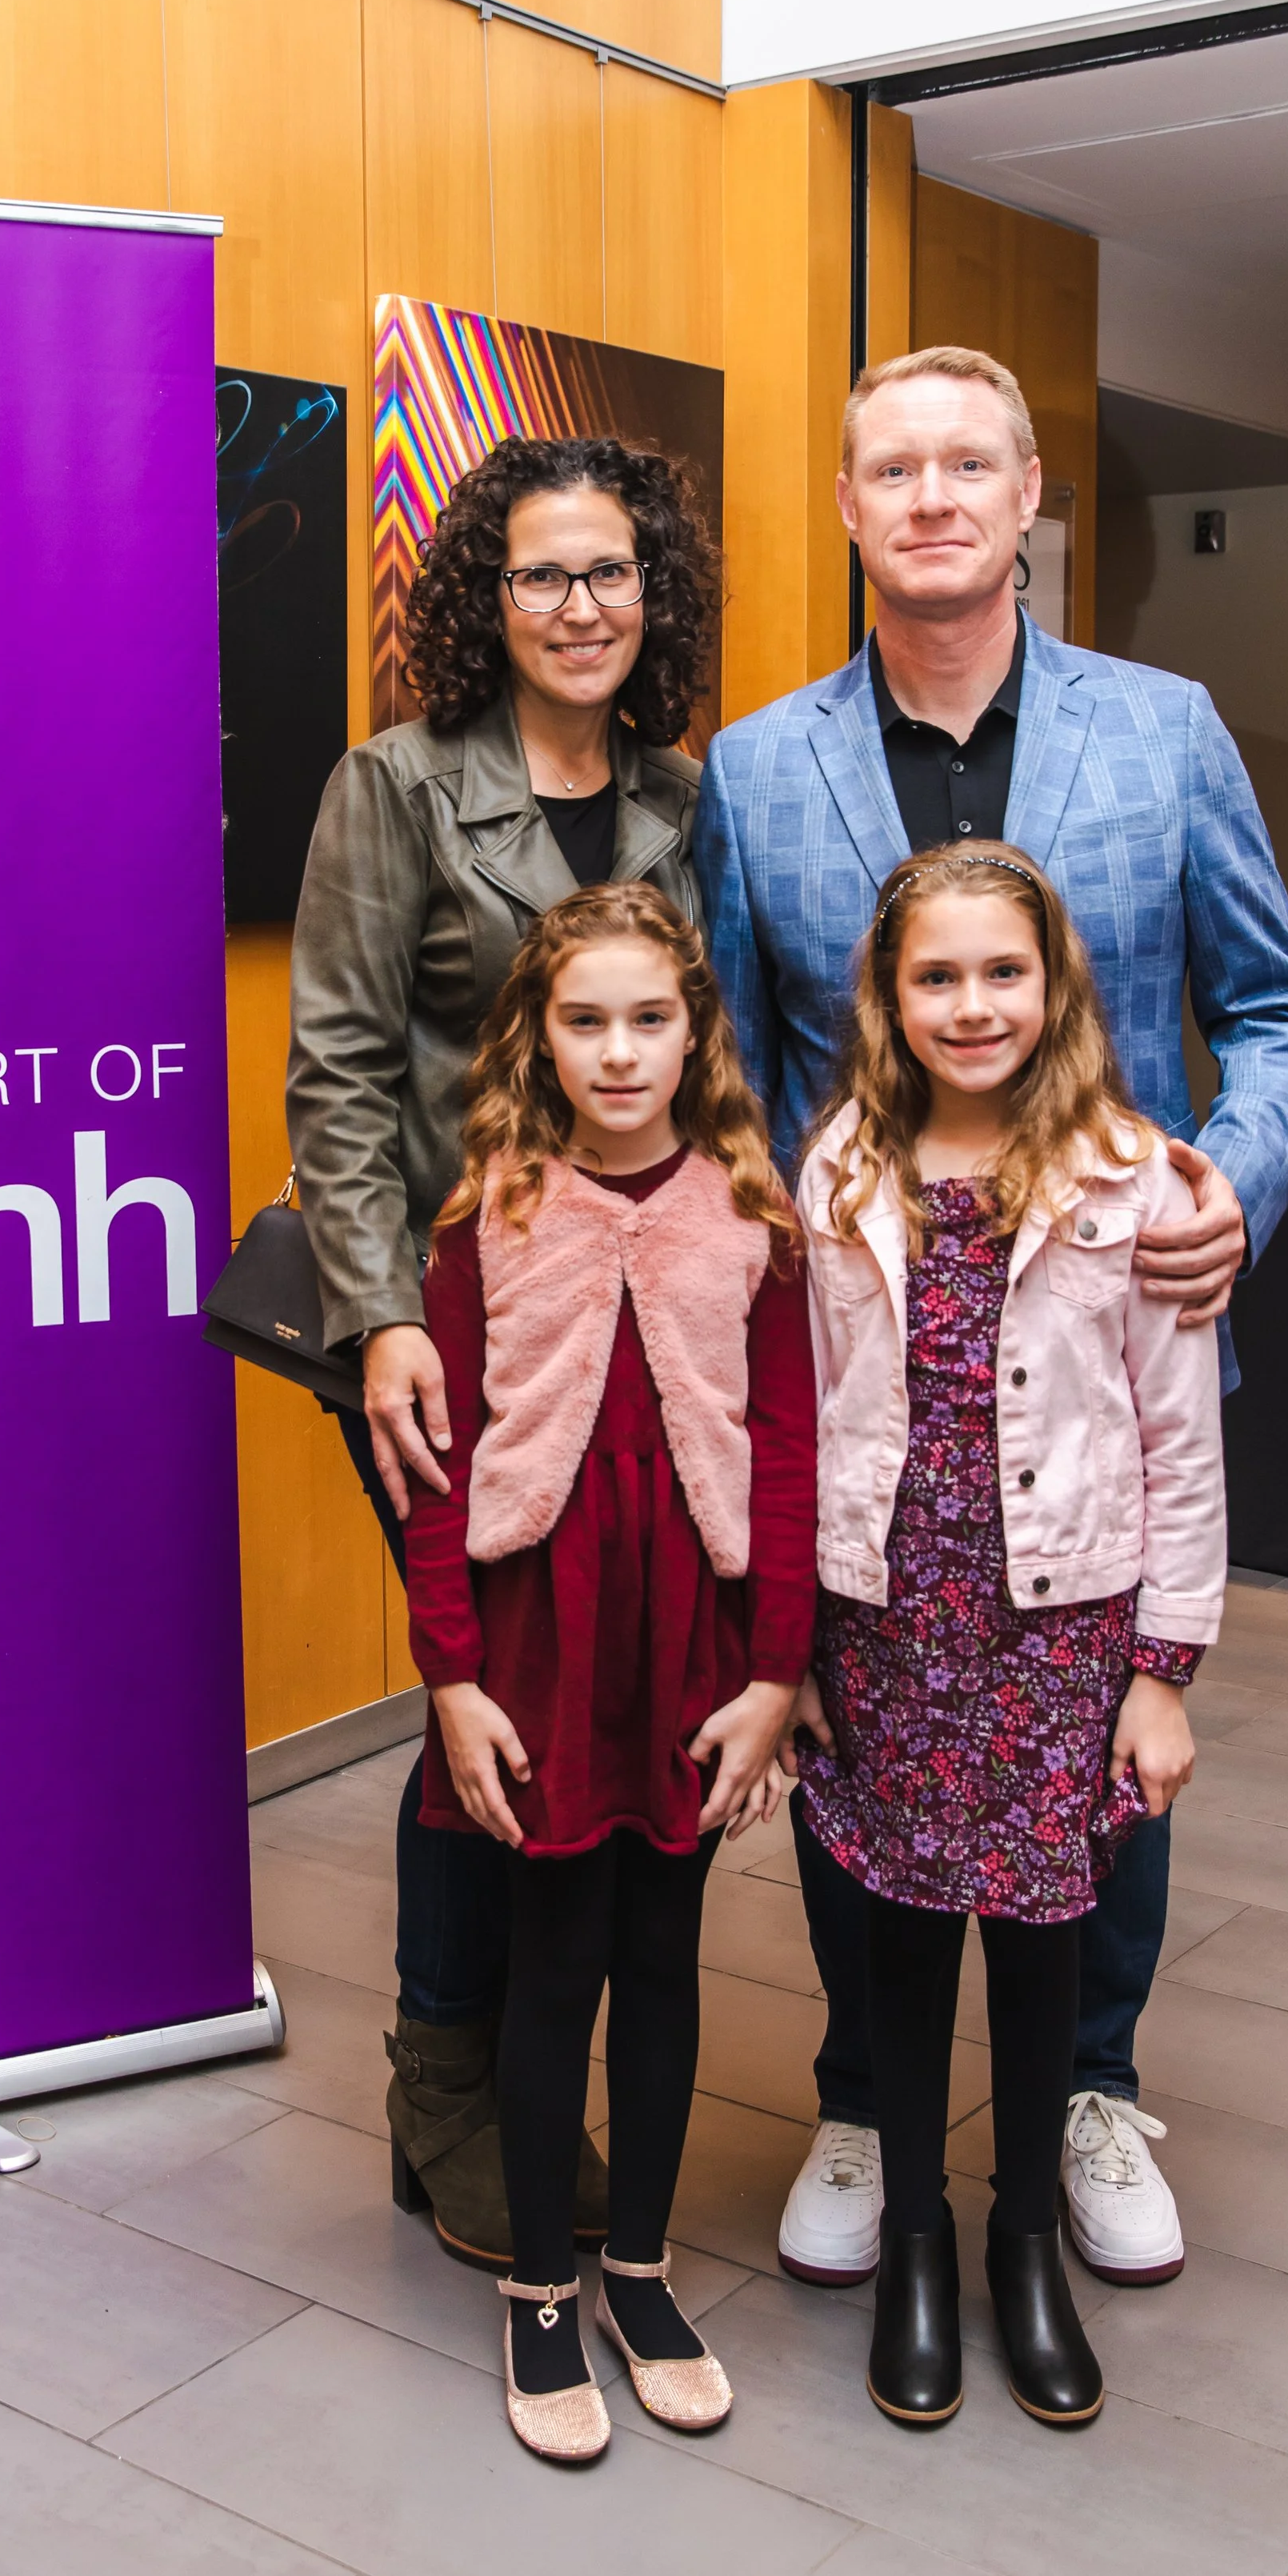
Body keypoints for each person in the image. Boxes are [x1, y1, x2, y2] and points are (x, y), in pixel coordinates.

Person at [695, 346, 1288, 2291]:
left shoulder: (1165, 731)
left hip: (1101, 1337)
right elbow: (727, 1069)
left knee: (1095, 1741)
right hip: (866, 1358)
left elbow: (1281, 1017)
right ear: (846, 504)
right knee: (853, 1731)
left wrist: (1229, 1176)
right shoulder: (752, 764)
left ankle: (1087, 2083)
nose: (933, 496)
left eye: (968, 461)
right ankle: (865, 2096)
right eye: (891, 466)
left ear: (1028, 491)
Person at [288, 436, 722, 2270]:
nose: (577, 608)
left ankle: (521, 2068)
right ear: (485, 598)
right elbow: (341, 1072)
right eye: (540, 576)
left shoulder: (681, 802)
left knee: (586, 1700)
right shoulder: (392, 788)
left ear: (653, 594)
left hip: (627, 1336)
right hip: (442, 1340)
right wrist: (382, 1313)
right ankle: (441, 2086)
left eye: (608, 572)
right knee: (482, 1708)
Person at [792, 842, 1224, 2426]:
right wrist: (790, 1651)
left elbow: (1179, 1442)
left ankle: (1020, 2238)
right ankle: (913, 2233)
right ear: (886, 999)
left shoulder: (1132, 1173)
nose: (970, 1006)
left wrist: (1160, 1675)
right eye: (934, 977)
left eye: (1000, 973)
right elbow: (805, 1421)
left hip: (1062, 1630)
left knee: (1043, 1932)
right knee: (901, 1931)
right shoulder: (836, 1167)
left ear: (1052, 987)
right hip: (889, 1626)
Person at [402, 883, 816, 2458]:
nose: (619, 1050)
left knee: (664, 1954)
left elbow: (786, 1450)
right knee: (550, 1958)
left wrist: (776, 1670)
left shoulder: (749, 1214)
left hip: (691, 1648)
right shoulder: (485, 1214)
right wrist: (450, 1676)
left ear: (694, 1030)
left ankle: (636, 2267)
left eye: (650, 1018)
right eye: (584, 1020)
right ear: (537, 1036)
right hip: (537, 1642)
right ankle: (535, 2288)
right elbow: (432, 1475)